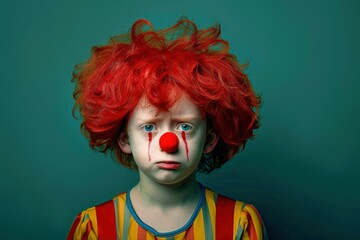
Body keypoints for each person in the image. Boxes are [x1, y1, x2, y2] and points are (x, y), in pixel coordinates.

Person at [67, 18, 267, 240]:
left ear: (209, 140)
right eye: (149, 127)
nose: (169, 143)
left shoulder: (239, 223)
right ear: (125, 139)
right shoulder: (95, 226)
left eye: (185, 126)